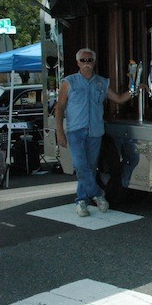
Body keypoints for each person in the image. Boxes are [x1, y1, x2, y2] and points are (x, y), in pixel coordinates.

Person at [55, 48, 135, 217]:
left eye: (89, 60)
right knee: (80, 167)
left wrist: (135, 87)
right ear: (77, 63)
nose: (86, 63)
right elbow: (60, 107)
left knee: (91, 167)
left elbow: (119, 99)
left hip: (95, 132)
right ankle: (98, 194)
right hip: (75, 131)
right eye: (83, 60)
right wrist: (60, 132)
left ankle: (82, 201)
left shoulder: (101, 82)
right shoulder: (69, 82)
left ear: (94, 62)